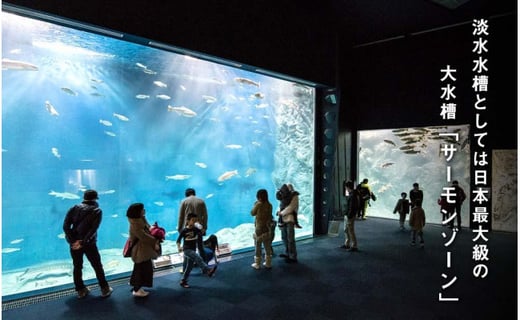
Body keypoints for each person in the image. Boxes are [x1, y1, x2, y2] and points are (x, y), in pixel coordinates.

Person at [62, 189, 113, 299]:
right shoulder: (97, 210)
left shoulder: (73, 208)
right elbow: (93, 229)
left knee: (77, 266)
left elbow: (66, 226)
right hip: (89, 243)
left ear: (83, 197)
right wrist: (83, 242)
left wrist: (73, 241)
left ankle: (81, 290)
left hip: (74, 244)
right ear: (95, 198)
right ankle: (105, 289)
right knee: (97, 266)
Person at [126, 203, 162, 298]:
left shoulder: (140, 219)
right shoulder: (135, 224)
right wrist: (155, 242)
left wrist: (153, 229)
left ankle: (136, 286)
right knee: (142, 269)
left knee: (141, 268)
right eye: (142, 209)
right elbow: (143, 236)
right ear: (137, 211)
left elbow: (147, 230)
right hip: (140, 250)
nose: (144, 210)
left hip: (144, 249)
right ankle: (137, 289)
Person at [177, 213, 218, 288]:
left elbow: (202, 233)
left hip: (193, 249)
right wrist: (179, 247)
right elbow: (178, 240)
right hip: (187, 250)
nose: (194, 222)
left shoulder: (196, 229)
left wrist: (201, 228)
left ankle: (183, 281)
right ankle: (208, 270)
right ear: (188, 221)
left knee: (189, 267)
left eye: (196, 220)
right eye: (193, 220)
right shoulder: (184, 230)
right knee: (198, 257)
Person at [250, 189, 274, 269]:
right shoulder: (270, 205)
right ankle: (268, 263)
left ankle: (257, 264)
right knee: (267, 246)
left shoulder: (258, 204)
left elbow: (252, 213)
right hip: (267, 228)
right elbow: (270, 217)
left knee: (258, 246)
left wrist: (255, 204)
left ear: (259, 197)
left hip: (259, 229)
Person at [276, 183, 299, 263]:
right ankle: (288, 253)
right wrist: (280, 212)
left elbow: (291, 207)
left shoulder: (294, 196)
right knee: (284, 237)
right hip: (283, 219)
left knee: (290, 238)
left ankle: (293, 256)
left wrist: (281, 213)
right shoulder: (283, 197)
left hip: (290, 219)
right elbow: (281, 205)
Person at [340, 180, 360, 251]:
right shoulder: (352, 194)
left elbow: (352, 207)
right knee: (346, 230)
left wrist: (349, 215)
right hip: (347, 215)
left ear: (348, 187)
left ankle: (354, 246)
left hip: (350, 216)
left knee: (351, 231)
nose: (345, 189)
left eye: (346, 187)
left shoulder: (353, 195)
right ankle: (347, 244)